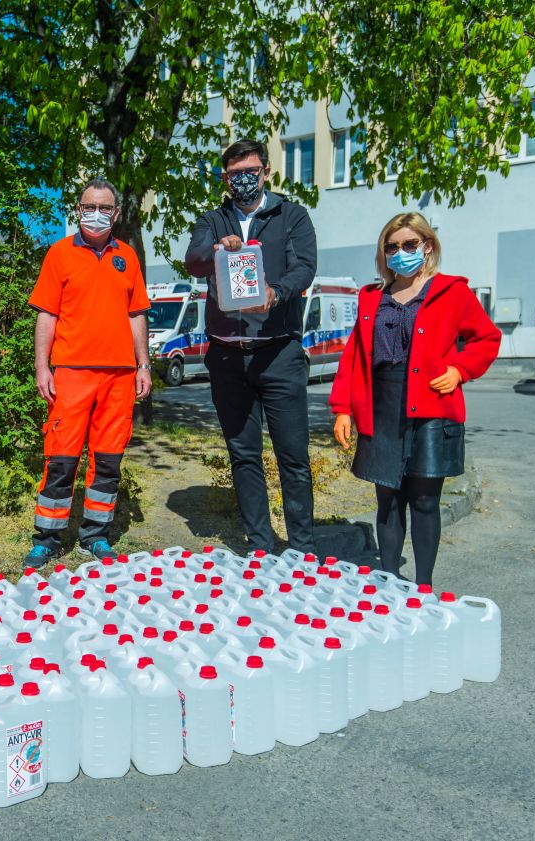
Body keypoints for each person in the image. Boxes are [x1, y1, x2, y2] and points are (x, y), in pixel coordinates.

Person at [329, 212, 500, 586]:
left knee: (424, 501)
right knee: (388, 501)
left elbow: (486, 339)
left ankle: (423, 586)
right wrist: (342, 408)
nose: (400, 252)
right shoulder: (372, 297)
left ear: (428, 246)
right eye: (392, 247)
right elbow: (355, 355)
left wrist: (458, 370)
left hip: (433, 410)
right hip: (382, 406)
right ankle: (390, 583)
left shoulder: (453, 291)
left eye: (409, 244)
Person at [183, 137, 318, 554]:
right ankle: (260, 545)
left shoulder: (291, 215)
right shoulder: (212, 220)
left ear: (266, 173)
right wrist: (215, 249)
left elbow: (305, 268)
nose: (244, 180)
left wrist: (275, 293)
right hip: (226, 356)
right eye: (235, 174)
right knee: (244, 455)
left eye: (251, 172)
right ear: (225, 178)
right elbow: (193, 260)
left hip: (278, 352)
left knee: (292, 456)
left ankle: (302, 549)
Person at [25, 178, 152, 566]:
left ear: (116, 213)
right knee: (61, 458)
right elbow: (47, 314)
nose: (96, 214)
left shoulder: (127, 257)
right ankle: (47, 536)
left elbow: (137, 315)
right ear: (78, 210)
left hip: (119, 376)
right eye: (88, 206)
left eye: (104, 207)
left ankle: (95, 535)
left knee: (108, 458)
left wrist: (143, 364)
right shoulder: (59, 254)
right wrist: (41, 365)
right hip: (71, 373)